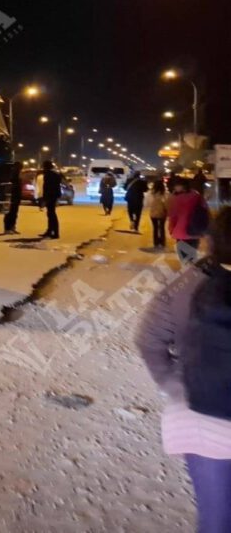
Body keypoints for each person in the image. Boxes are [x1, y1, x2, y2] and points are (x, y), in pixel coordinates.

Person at [137, 209, 231, 533]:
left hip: (201, 416)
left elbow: (149, 341)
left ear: (211, 242)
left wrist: (175, 385)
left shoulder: (185, 285)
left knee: (218, 521)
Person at [169, 177, 209, 265]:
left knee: (184, 257)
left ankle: (187, 272)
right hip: (195, 229)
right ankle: (193, 271)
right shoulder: (196, 195)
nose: (175, 188)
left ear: (182, 186)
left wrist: (171, 229)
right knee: (193, 255)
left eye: (176, 186)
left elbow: (173, 216)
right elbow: (205, 209)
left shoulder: (176, 198)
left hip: (181, 231)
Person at [39, 160, 62, 239]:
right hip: (54, 196)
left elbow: (47, 187)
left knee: (51, 214)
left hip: (50, 196)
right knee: (51, 214)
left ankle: (55, 233)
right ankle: (50, 231)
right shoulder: (55, 174)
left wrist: (45, 198)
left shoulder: (48, 175)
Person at [146, 179, 169, 250]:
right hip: (162, 212)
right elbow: (167, 203)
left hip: (153, 213)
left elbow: (147, 203)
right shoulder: (165, 193)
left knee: (155, 228)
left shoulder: (150, 193)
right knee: (162, 227)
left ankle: (156, 242)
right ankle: (162, 242)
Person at [4, 161, 23, 235]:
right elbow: (12, 185)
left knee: (14, 212)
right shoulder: (13, 174)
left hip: (16, 196)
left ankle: (12, 227)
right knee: (10, 212)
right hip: (13, 195)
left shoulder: (17, 174)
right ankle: (8, 228)